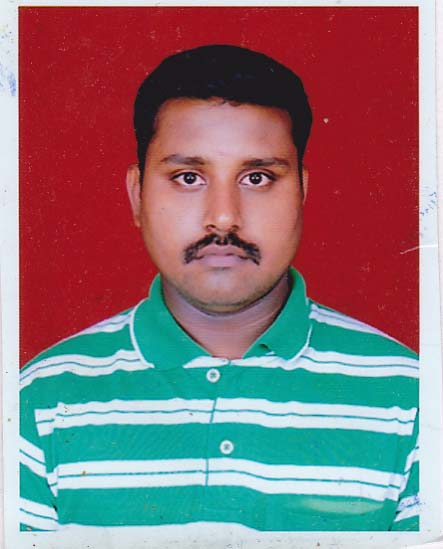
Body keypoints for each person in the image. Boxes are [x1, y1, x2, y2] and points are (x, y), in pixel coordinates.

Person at [20, 44, 419, 533]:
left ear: (302, 192)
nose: (224, 217)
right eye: (188, 177)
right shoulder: (40, 400)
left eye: (257, 178)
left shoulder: (413, 398)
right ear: (138, 195)